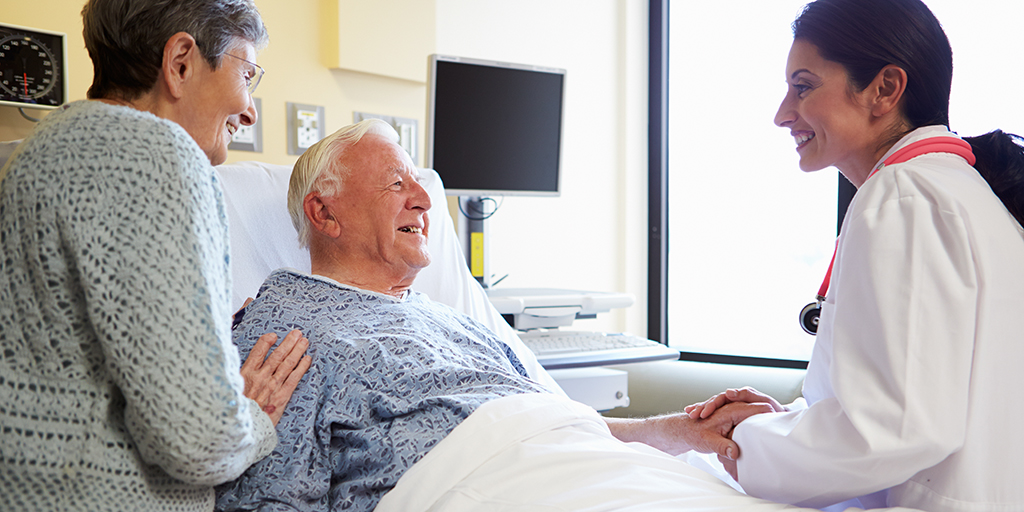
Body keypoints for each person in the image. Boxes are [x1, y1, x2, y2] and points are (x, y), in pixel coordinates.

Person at [215, 119, 772, 512]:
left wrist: (682, 431)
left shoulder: (454, 321)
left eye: (418, 183)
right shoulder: (285, 330)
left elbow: (555, 420)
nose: (424, 201)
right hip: (480, 484)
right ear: (324, 213)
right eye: (396, 183)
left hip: (588, 462)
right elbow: (271, 497)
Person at [685, 0, 1024, 510]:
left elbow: (893, 430)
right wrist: (785, 423)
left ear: (884, 89)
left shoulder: (903, 197)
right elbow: (912, 400)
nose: (782, 114)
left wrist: (744, 442)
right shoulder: (953, 191)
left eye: (803, 87)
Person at [0, 1, 311, 511]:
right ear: (181, 62)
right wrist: (252, 417)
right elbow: (199, 441)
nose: (250, 110)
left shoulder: (40, 149)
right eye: (247, 75)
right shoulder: (161, 158)